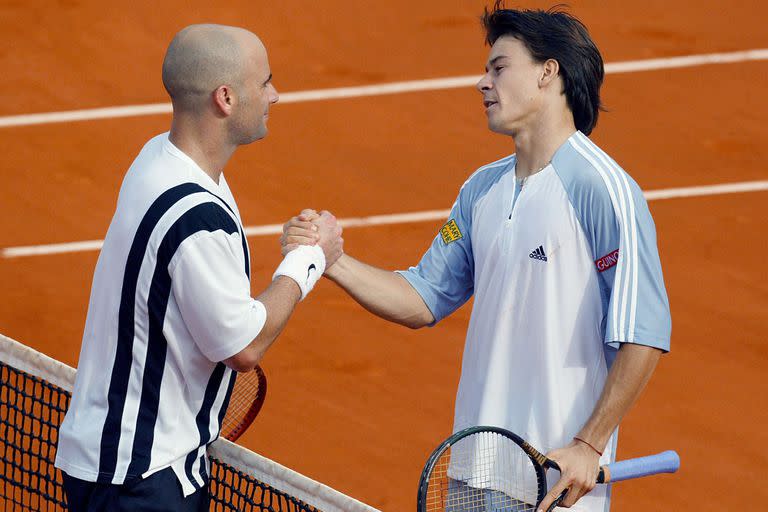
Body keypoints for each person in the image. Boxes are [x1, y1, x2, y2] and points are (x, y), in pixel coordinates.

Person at [281, 4, 671, 511]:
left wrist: (589, 444)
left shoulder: (604, 189)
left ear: (548, 72)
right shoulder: (480, 190)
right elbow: (423, 297)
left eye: (499, 67)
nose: (482, 83)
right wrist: (332, 260)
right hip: (471, 473)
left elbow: (642, 332)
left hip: (553, 484)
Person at [54, 24, 342, 511]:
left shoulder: (156, 160)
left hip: (109, 462)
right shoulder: (196, 217)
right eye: (265, 82)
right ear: (226, 98)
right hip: (145, 480)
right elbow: (244, 346)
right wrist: (309, 258)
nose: (275, 94)